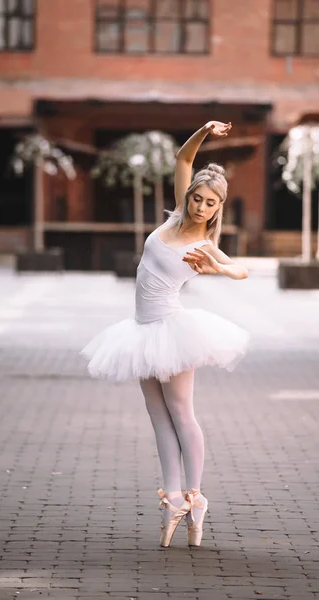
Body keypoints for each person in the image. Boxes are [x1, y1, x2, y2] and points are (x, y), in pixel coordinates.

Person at [81, 121, 249, 548]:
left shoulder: (205, 245)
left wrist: (220, 268)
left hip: (172, 332)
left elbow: (241, 269)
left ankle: (195, 495)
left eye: (209, 203)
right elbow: (183, 159)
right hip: (140, 330)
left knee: (181, 414)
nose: (200, 206)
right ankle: (172, 497)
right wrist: (205, 130)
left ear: (217, 208)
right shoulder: (176, 215)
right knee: (158, 418)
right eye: (197, 197)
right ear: (188, 196)